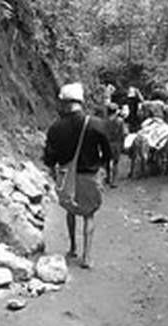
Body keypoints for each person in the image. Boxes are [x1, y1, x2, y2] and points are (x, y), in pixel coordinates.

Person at [43, 82, 112, 268]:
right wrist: (103, 168)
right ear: (80, 102)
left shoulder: (56, 127)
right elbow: (108, 153)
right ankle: (87, 257)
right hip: (90, 176)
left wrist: (53, 173)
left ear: (65, 103)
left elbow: (49, 156)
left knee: (70, 211)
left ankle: (72, 247)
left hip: (67, 177)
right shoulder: (96, 124)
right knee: (89, 215)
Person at [104, 102, 126, 188]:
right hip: (116, 144)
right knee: (115, 163)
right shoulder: (120, 121)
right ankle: (114, 181)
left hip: (106, 143)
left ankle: (108, 177)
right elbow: (123, 134)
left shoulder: (104, 121)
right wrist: (123, 145)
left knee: (106, 161)